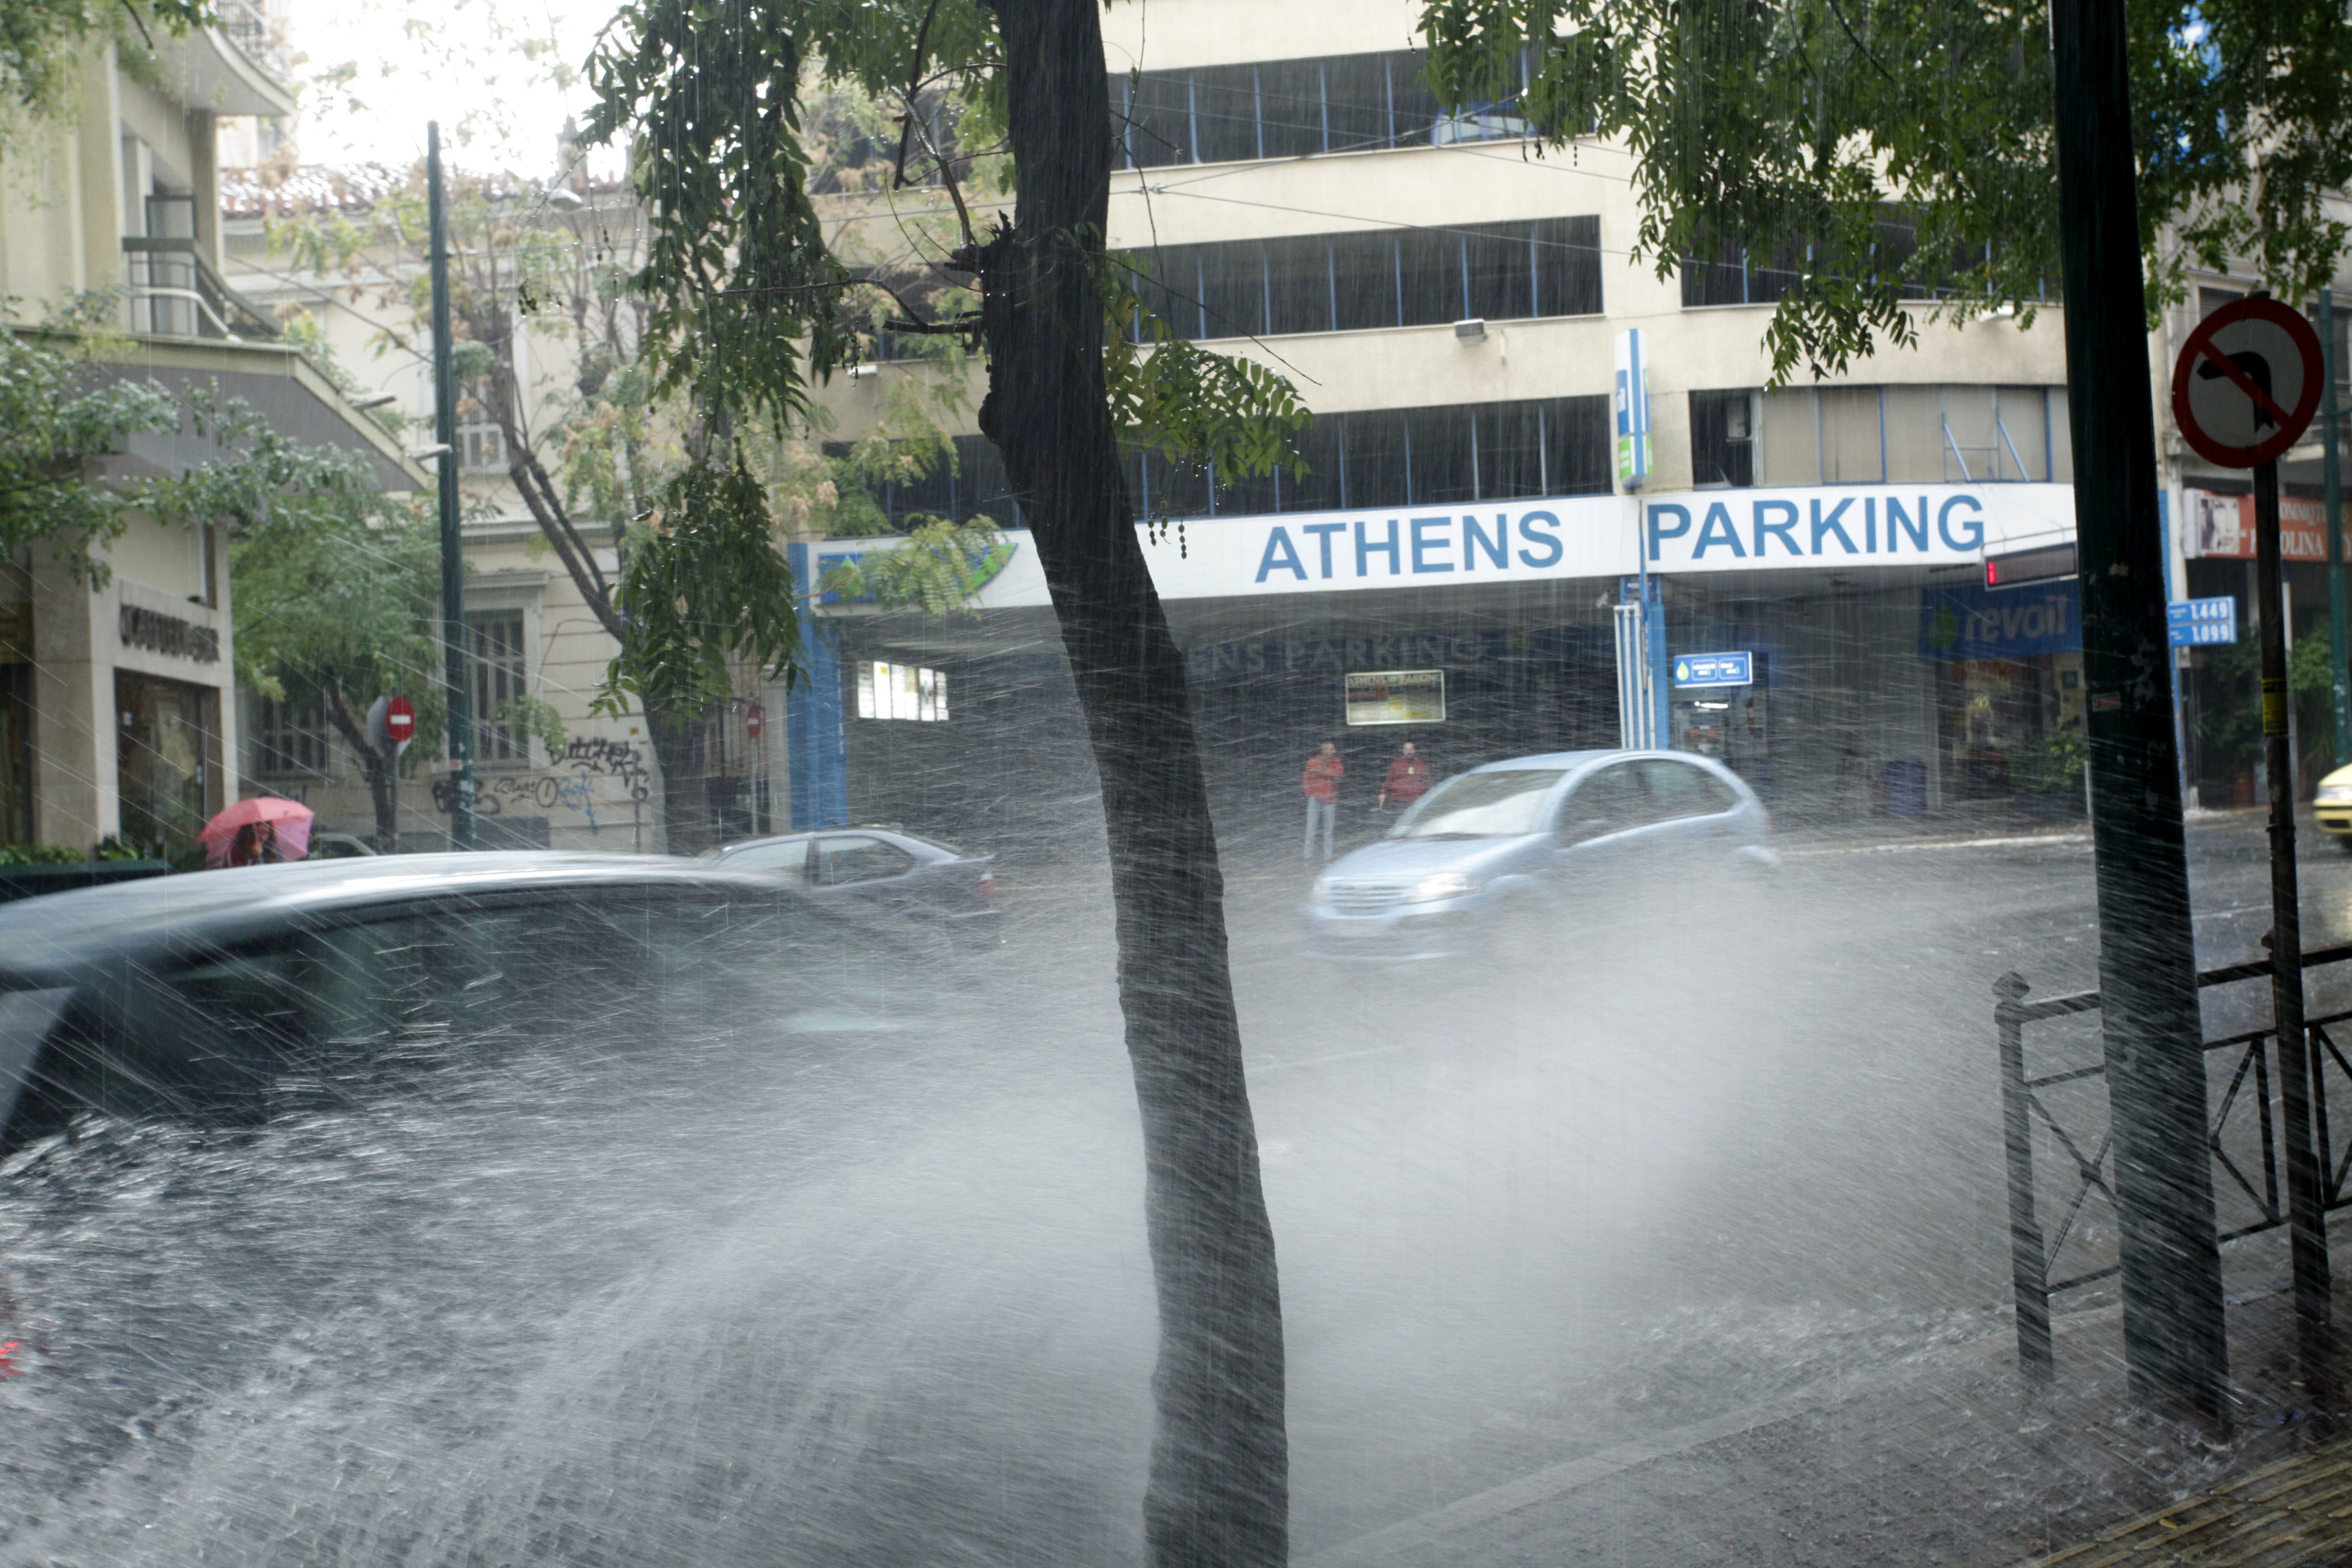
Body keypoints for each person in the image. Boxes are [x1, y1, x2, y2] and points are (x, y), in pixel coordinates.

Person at [1301, 741, 1343, 861]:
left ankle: (1328, 856)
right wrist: (1310, 794)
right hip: (1316, 798)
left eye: (1333, 749)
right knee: (1311, 829)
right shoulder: (1313, 762)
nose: (1334, 751)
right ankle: (1308, 856)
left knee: (1328, 830)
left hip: (1330, 799)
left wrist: (1322, 772)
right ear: (1324, 751)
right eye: (1331, 749)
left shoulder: (1336, 762)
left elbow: (1339, 775)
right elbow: (1306, 779)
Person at [1379, 741, 1433, 812]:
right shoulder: (1396, 764)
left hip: (1418, 801)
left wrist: (1433, 792)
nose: (1409, 752)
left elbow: (1428, 781)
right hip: (1399, 801)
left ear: (1414, 751)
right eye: (1407, 750)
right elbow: (1388, 781)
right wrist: (1383, 793)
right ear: (1403, 751)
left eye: (1411, 750)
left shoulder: (1421, 764)